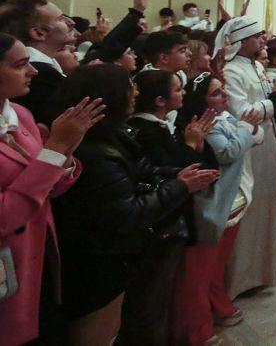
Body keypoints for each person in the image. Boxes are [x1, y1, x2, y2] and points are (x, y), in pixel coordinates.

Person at [53, 64, 217, 346]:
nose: (135, 91)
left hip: (119, 252)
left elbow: (145, 170)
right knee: (113, 328)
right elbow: (126, 212)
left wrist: (177, 177)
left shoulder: (114, 135)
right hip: (101, 258)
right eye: (130, 85)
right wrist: (181, 184)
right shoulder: (95, 151)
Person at [0, 33, 100, 345]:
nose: (33, 71)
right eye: (20, 65)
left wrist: (67, 150)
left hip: (39, 251)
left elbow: (50, 187)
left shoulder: (21, 114)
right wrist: (55, 149)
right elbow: (4, 216)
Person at [120, 70, 218, 346]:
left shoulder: (158, 126)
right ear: (161, 100)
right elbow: (175, 174)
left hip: (170, 220)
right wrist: (189, 145)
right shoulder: (146, 132)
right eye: (178, 89)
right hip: (161, 225)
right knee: (151, 302)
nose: (184, 93)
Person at [173, 74, 263, 346]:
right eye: (216, 93)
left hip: (231, 202)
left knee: (215, 264)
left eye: (223, 90)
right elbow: (229, 151)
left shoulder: (223, 119)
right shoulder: (206, 125)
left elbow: (252, 134)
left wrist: (246, 130)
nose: (224, 95)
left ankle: (218, 304)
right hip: (212, 205)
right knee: (199, 271)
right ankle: (197, 330)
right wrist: (247, 130)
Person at [217, 17, 276, 299]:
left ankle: (262, 268)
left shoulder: (255, 66)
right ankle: (241, 277)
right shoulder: (231, 71)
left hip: (267, 140)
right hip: (249, 144)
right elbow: (239, 112)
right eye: (257, 36)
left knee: (266, 201)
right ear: (241, 41)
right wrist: (272, 103)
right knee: (251, 209)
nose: (262, 40)